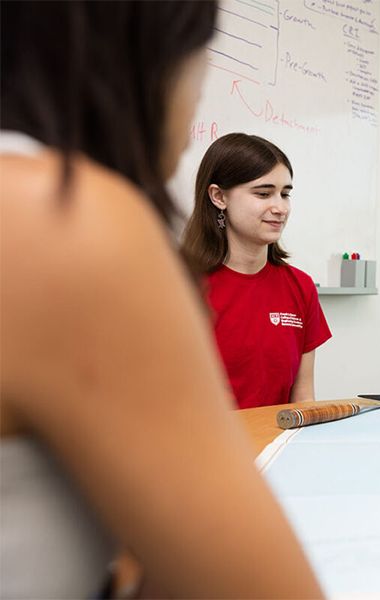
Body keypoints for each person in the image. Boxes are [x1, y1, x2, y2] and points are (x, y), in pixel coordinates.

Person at [0, 2, 322, 597]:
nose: (199, 91)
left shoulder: (297, 286)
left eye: (286, 193)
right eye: (203, 54)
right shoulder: (69, 218)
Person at [181, 133, 332, 409]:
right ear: (218, 196)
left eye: (285, 194)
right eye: (263, 194)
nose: (280, 208)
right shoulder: (181, 287)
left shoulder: (301, 287)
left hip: (278, 449)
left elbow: (303, 400)